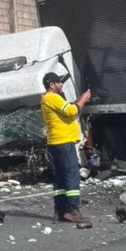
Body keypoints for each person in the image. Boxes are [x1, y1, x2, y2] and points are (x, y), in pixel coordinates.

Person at [42, 72, 92, 225]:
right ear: (52, 85)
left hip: (56, 143)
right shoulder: (52, 97)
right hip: (63, 143)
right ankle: (72, 210)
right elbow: (72, 111)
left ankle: (60, 210)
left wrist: (78, 101)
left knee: (60, 177)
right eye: (59, 82)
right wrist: (83, 99)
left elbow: (67, 108)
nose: (61, 84)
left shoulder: (50, 99)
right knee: (71, 175)